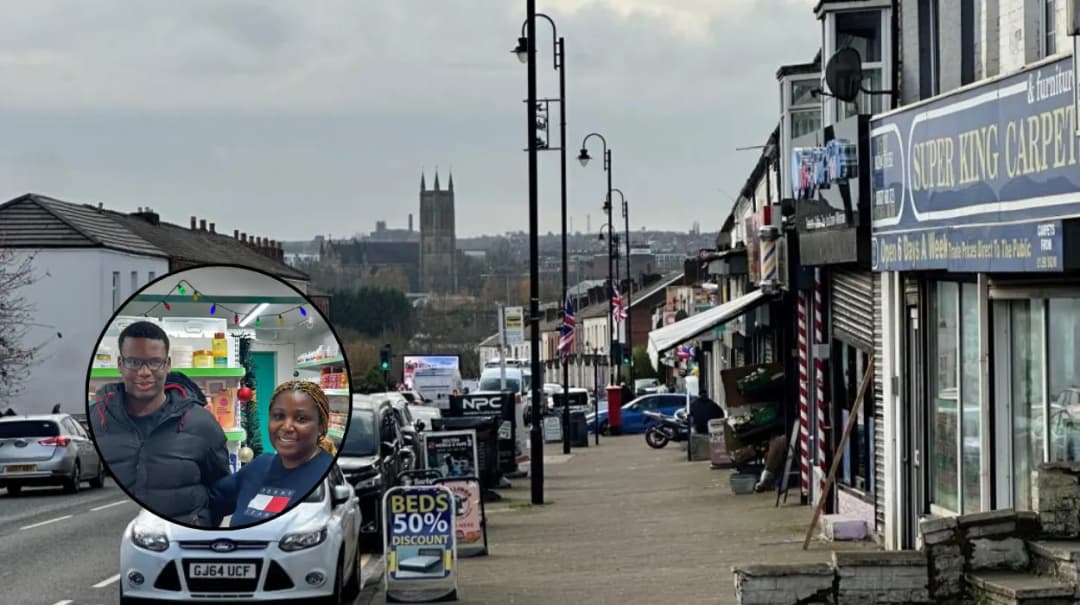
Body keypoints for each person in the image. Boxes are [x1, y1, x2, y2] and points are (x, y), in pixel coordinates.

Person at [90, 321, 229, 527]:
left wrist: (198, 525)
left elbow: (222, 491)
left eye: (154, 362)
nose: (144, 372)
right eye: (134, 362)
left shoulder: (200, 423)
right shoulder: (97, 419)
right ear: (120, 364)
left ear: (168, 364)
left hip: (180, 542)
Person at [209, 380, 337, 528]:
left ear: (321, 427)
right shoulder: (259, 466)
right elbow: (210, 500)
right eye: (279, 416)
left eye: (301, 419)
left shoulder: (328, 475)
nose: (287, 426)